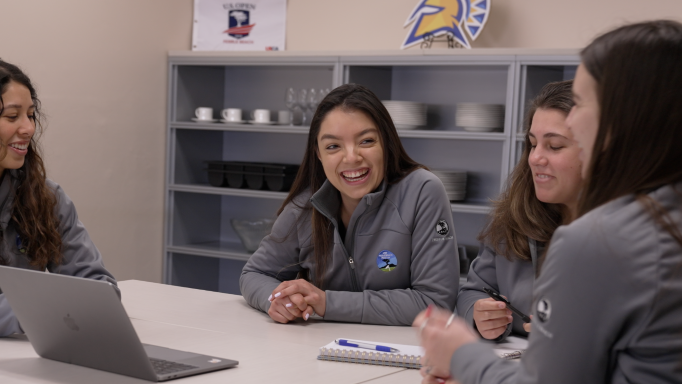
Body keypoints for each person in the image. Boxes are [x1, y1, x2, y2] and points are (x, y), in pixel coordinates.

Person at [415, 20, 682, 384]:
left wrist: (462, 356)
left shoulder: (597, 241)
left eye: (582, 104)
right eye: (533, 143)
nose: (573, 118)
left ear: (625, 119)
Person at [240, 83, 459, 326]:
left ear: (386, 142)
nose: (352, 157)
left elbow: (435, 302)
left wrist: (327, 303)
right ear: (319, 154)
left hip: (404, 354)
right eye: (333, 146)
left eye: (366, 141)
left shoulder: (423, 191)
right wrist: (276, 300)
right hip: (320, 350)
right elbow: (255, 274)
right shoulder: (304, 207)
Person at [0, 60, 118, 337]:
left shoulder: (47, 198)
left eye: (30, 115)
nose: (28, 128)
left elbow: (99, 287)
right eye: (12, 116)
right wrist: (54, 312)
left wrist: (51, 312)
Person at [457, 80, 580, 342]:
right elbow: (474, 291)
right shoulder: (513, 216)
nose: (535, 158)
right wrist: (480, 316)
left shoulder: (624, 233)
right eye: (533, 144)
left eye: (554, 146)